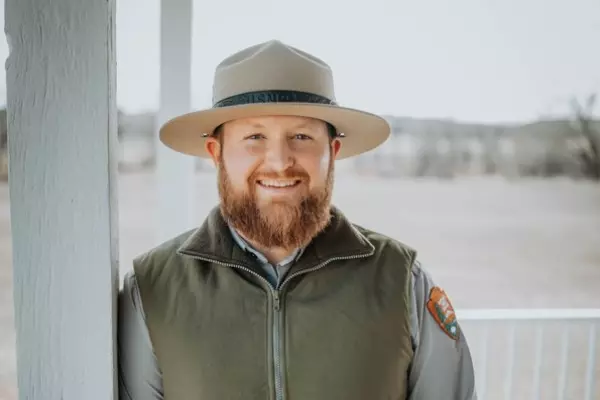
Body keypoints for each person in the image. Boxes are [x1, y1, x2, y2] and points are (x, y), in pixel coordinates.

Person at [118, 39, 478, 400]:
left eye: (302, 136)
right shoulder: (150, 292)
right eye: (255, 137)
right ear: (217, 153)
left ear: (332, 152)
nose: (279, 162)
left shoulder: (404, 282)